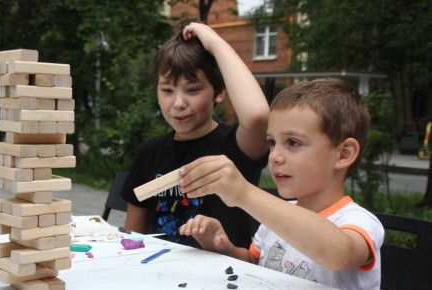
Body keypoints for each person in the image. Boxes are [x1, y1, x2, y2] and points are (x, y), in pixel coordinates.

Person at [178, 78, 384, 289]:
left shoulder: (359, 222)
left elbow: (338, 254)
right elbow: (254, 262)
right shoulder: (275, 218)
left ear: (343, 154)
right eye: (272, 142)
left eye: (293, 142)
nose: (274, 156)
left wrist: (245, 194)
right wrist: (222, 247)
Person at [120, 22, 270, 248]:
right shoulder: (149, 152)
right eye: (167, 90)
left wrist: (215, 43)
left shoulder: (236, 146)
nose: (178, 103)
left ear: (219, 93)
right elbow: (133, 237)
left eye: (192, 90)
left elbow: (258, 116)